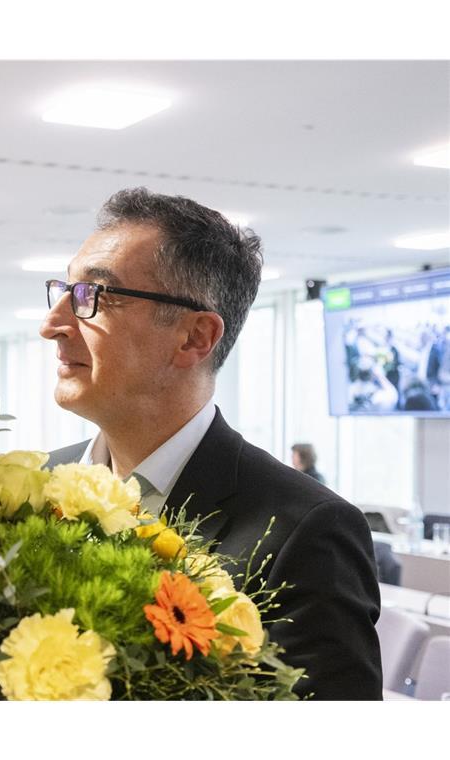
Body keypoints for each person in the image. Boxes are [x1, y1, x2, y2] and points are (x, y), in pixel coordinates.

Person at [41, 188, 381, 700]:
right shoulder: (38, 486)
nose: (53, 324)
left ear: (195, 338)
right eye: (63, 292)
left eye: (95, 296)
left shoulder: (303, 532)